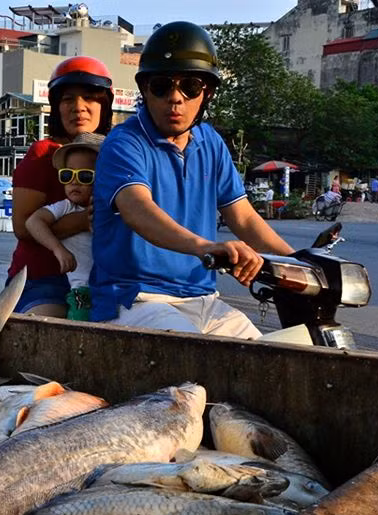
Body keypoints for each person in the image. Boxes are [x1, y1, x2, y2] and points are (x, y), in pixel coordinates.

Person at [91, 21, 294, 338]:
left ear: (207, 93)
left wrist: (296, 262)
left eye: (190, 86)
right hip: (136, 300)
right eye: (161, 86)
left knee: (275, 361)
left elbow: (242, 216)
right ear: (145, 90)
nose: (175, 98)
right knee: (200, 373)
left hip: (205, 302)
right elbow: (137, 208)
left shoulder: (210, 142)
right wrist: (206, 247)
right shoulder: (124, 143)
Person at [7, 56, 114, 317]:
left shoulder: (117, 155)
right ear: (56, 107)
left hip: (103, 279)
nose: (79, 107)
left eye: (90, 97)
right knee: (52, 330)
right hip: (44, 279)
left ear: (105, 105)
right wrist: (84, 220)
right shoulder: (43, 154)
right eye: (68, 99)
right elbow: (23, 227)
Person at [24, 132, 103, 321]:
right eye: (68, 175)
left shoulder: (112, 205)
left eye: (84, 176)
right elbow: (32, 222)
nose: (74, 181)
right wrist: (58, 250)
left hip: (113, 286)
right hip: (82, 291)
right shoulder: (66, 207)